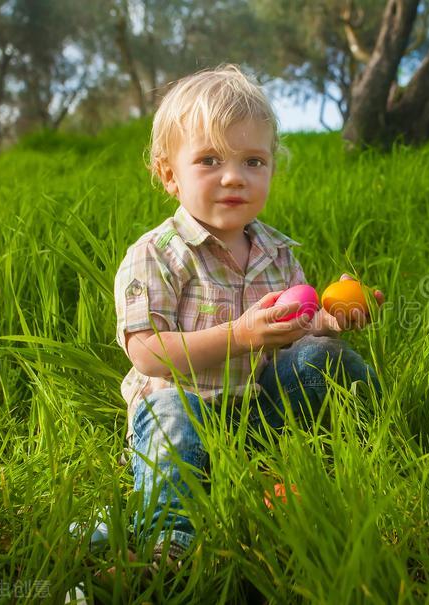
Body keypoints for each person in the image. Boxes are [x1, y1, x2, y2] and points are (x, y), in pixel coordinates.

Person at [113, 64, 384, 567]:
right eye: (210, 159)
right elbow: (148, 353)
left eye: (254, 161)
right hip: (184, 411)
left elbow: (289, 335)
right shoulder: (156, 255)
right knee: (170, 411)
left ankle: (386, 439)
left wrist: (328, 321)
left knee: (322, 354)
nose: (234, 176)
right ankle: (170, 540)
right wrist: (239, 334)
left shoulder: (278, 253)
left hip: (258, 412)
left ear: (272, 171)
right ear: (169, 174)